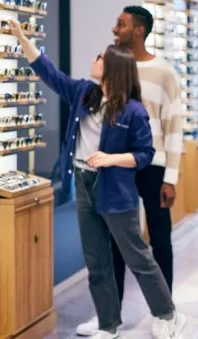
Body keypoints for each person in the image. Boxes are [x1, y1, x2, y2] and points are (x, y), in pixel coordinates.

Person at [7, 20, 186, 339]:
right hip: (84, 185)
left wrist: (111, 159)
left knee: (137, 256)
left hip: (115, 189)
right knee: (96, 259)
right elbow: (48, 71)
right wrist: (21, 37)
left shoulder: (133, 111)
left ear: (114, 69)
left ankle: (167, 313)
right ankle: (108, 323)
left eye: (100, 57)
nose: (94, 58)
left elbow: (145, 154)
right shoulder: (83, 93)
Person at [78, 6, 184, 336]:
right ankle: (111, 316)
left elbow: (174, 125)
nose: (114, 29)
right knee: (114, 242)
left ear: (138, 30)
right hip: (114, 166)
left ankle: (164, 315)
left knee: (159, 239)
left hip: (151, 166)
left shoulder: (164, 72)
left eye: (121, 24)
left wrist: (171, 177)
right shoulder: (114, 67)